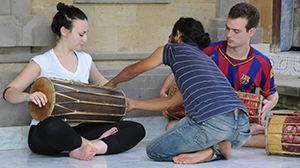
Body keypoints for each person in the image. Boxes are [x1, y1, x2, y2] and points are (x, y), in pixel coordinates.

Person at [2, 2, 145, 161]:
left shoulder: (85, 59)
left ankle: (85, 147)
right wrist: (27, 96)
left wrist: (121, 99)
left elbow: (103, 85)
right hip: (49, 132)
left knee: (136, 129)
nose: (85, 39)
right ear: (65, 31)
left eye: (86, 34)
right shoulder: (43, 62)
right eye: (81, 34)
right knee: (51, 126)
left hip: (80, 128)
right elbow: (9, 92)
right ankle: (87, 145)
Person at [105, 17, 251, 164]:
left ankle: (212, 151)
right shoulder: (203, 61)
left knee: (154, 150)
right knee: (187, 124)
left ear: (178, 35)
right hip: (242, 126)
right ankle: (221, 145)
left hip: (215, 122)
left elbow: (133, 71)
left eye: (170, 36)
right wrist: (134, 104)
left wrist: (112, 82)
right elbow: (170, 102)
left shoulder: (172, 49)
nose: (168, 40)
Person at [159, 2, 279, 148]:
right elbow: (177, 71)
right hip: (207, 117)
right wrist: (164, 92)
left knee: (269, 138)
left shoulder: (262, 63)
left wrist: (269, 104)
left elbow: (272, 94)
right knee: (171, 126)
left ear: (251, 32)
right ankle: (230, 140)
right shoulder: (208, 51)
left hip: (236, 119)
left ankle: (219, 141)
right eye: (227, 28)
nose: (229, 35)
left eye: (236, 31)